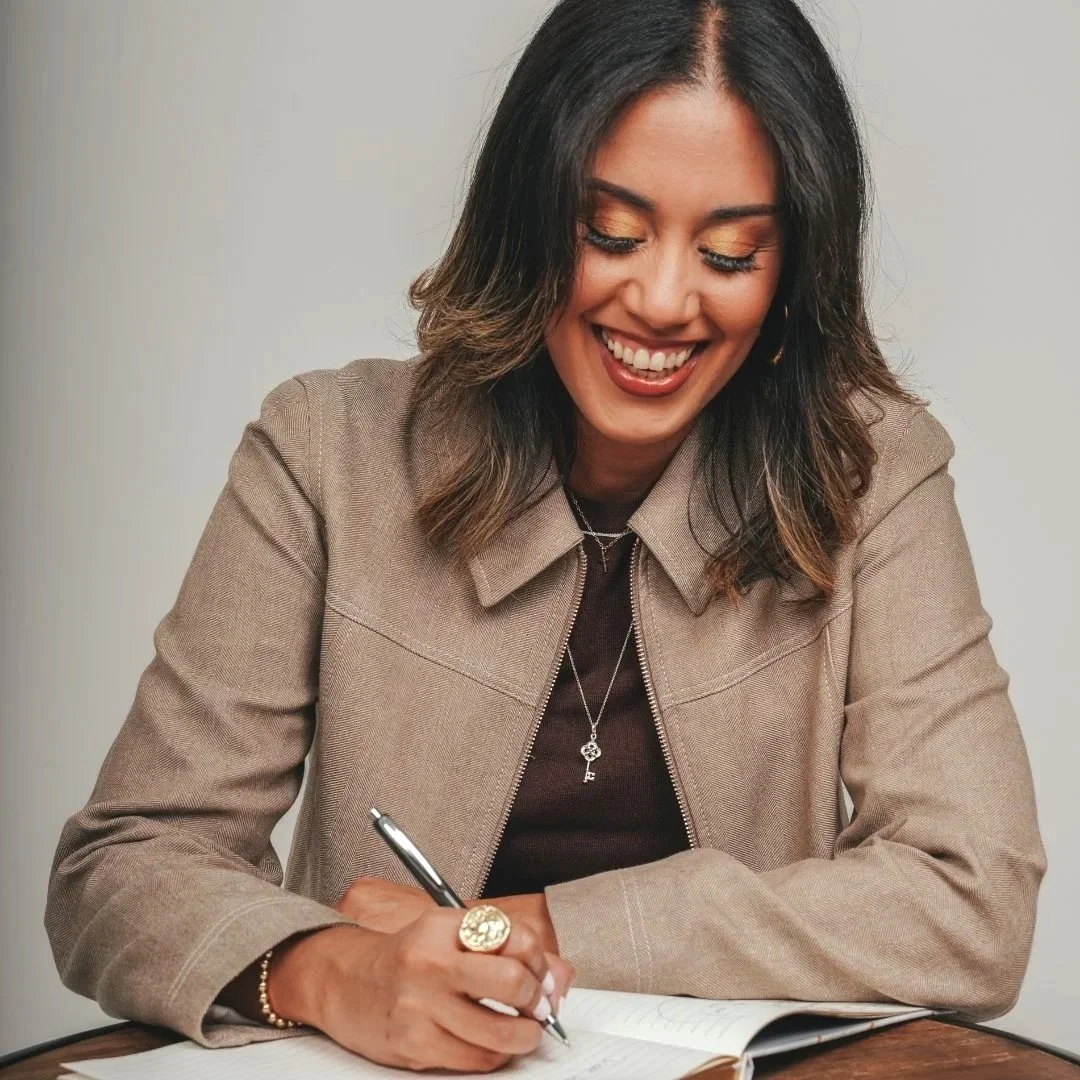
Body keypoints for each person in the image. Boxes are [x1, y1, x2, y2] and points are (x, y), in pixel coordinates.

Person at [45, 0, 1046, 1073]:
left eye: (730, 252)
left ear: (791, 273)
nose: (663, 299)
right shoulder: (324, 450)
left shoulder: (876, 476)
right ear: (527, 215)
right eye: (609, 233)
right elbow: (122, 866)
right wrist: (335, 970)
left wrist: (527, 931)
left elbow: (970, 896)